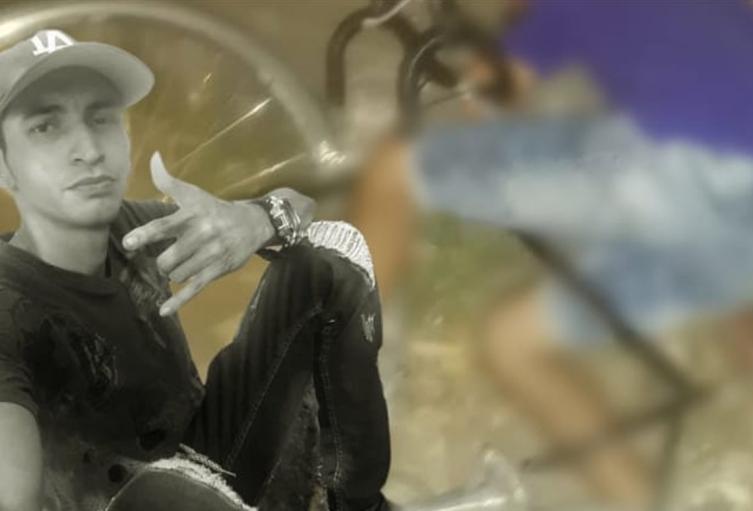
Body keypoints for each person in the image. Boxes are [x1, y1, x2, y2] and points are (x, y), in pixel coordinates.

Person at [0, 29, 391, 511]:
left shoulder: (135, 227)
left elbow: (301, 205)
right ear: (3, 165)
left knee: (327, 262)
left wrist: (257, 219)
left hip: (208, 467)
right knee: (162, 492)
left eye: (100, 118)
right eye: (45, 127)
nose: (88, 148)